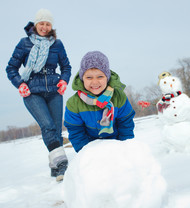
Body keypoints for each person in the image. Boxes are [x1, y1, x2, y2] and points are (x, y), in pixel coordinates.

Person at [6, 9, 71, 182]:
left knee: (56, 130)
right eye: (41, 23)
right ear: (36, 24)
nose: (44, 27)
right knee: (48, 125)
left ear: (51, 26)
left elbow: (66, 67)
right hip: (32, 91)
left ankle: (55, 167)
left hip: (54, 91)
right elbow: (11, 68)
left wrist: (64, 80)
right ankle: (62, 163)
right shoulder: (24, 43)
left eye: (48, 24)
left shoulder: (57, 44)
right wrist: (20, 84)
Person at [64, 51, 135, 152]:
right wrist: (85, 153)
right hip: (90, 147)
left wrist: (125, 148)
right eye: (89, 77)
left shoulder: (119, 97)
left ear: (107, 77)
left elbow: (126, 124)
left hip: (117, 144)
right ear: (82, 78)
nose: (95, 82)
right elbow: (76, 131)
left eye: (100, 76)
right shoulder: (73, 103)